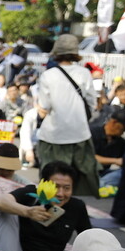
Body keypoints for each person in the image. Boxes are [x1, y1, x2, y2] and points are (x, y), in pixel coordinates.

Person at [35, 35, 100, 196]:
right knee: (78, 177)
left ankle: (49, 211)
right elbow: (92, 103)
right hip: (79, 134)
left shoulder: (48, 75)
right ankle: (73, 206)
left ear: (56, 52)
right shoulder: (84, 73)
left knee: (50, 178)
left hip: (53, 135)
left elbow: (44, 107)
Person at [91, 109, 125, 189]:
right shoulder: (93, 133)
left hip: (104, 174)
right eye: (123, 127)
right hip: (88, 175)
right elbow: (90, 158)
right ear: (114, 122)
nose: (124, 131)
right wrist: (115, 161)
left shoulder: (120, 142)